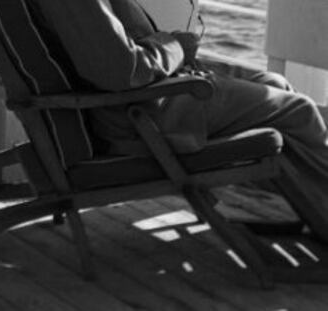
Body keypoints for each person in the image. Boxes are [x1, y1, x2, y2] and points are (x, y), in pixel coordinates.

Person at [31, 0, 328, 240]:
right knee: (297, 111)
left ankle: (299, 209)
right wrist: (175, 47)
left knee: (274, 83)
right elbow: (120, 70)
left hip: (149, 99)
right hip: (143, 115)